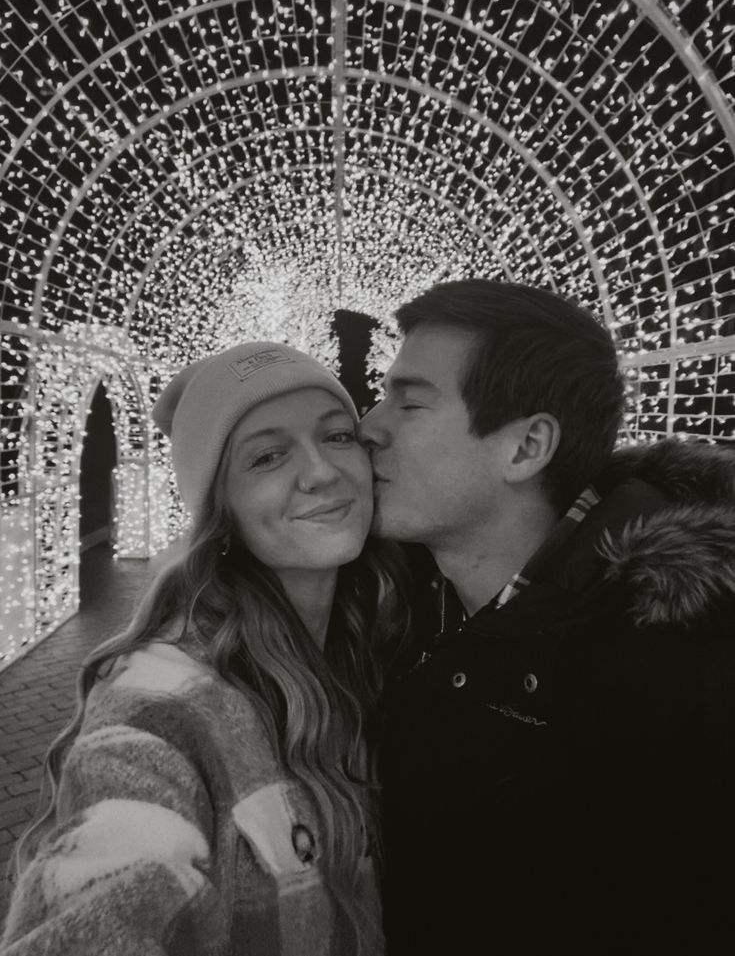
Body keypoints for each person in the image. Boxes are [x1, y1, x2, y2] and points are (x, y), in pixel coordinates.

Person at [359, 280, 735, 955]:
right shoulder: (391, 602)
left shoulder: (683, 674)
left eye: (408, 402)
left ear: (526, 446)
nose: (369, 426)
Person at [1, 342, 408, 956]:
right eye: (268, 456)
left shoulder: (380, 642)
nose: (322, 471)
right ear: (223, 509)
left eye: (338, 436)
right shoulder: (165, 702)